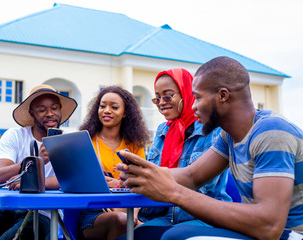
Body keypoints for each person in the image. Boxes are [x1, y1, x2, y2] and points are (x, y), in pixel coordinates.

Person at [118, 56, 303, 240]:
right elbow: (191, 176)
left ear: (222, 95)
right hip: (260, 232)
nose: (193, 106)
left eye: (197, 97)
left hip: (290, 235)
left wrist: (174, 193)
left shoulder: (271, 131)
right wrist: (143, 174)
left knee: (177, 236)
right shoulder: (229, 136)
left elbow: (270, 226)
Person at [0, 84, 77, 240]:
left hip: (43, 211)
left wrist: (34, 182)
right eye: (42, 110)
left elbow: (71, 180)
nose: (50, 114)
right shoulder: (15, 135)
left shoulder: (70, 142)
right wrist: (35, 161)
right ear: (32, 113)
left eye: (55, 108)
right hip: (5, 206)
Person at [125, 68, 231, 239]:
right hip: (165, 216)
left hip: (204, 217)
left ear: (187, 93)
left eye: (168, 96)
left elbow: (203, 185)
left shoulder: (212, 130)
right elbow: (151, 179)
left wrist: (152, 178)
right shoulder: (162, 132)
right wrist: (135, 180)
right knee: (128, 236)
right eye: (157, 98)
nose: (161, 102)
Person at [78, 85, 150, 240]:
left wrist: (134, 214)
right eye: (102, 106)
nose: (106, 110)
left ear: (125, 113)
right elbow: (76, 181)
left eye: (114, 107)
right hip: (93, 212)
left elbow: (141, 181)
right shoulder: (85, 141)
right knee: (121, 221)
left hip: (129, 209)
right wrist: (102, 184)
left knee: (151, 231)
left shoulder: (134, 144)